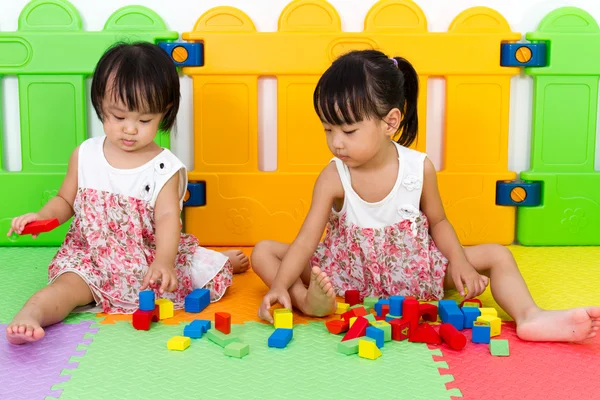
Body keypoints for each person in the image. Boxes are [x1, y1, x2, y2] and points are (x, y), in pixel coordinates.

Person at [252, 49, 600, 343]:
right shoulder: (334, 175)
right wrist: (282, 286)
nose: (336, 142)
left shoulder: (418, 168)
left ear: (390, 122)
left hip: (415, 272)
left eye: (348, 130)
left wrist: (461, 262)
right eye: (328, 130)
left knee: (497, 254)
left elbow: (439, 222)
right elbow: (305, 241)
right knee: (264, 251)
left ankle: (529, 316)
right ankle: (304, 301)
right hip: (346, 278)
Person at [5, 42, 249, 345]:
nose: (130, 129)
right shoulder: (85, 155)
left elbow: (168, 218)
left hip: (145, 259)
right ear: (101, 106)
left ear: (165, 113)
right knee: (63, 290)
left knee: (188, 268)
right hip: (91, 258)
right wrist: (41, 217)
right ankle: (31, 315)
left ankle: (218, 260)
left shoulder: (164, 168)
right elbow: (65, 201)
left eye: (144, 120)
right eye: (118, 117)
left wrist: (163, 261)